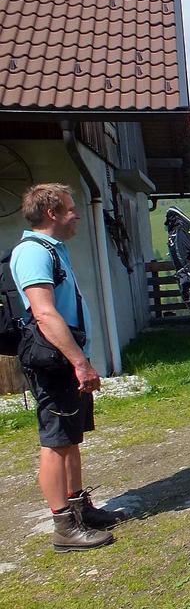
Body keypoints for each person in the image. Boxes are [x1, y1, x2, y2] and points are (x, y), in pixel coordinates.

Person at [10, 183, 118, 551]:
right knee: (55, 442)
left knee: (71, 437)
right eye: (70, 209)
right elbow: (43, 312)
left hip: (66, 360)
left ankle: (79, 507)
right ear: (52, 213)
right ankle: (63, 526)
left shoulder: (54, 251)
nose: (76, 215)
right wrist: (79, 362)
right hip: (56, 362)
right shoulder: (32, 253)